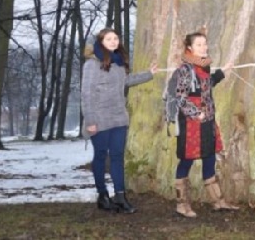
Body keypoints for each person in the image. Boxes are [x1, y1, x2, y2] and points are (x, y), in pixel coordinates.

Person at [81, 27, 158, 213]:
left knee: (117, 157)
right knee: (100, 156)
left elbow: (126, 81)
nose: (114, 41)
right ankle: (102, 195)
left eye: (116, 38)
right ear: (101, 42)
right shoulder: (92, 64)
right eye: (109, 39)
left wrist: (149, 74)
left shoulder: (118, 63)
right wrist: (90, 120)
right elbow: (86, 93)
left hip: (119, 118)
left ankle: (121, 197)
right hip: (98, 119)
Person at [173, 29, 238, 217]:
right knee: (186, 161)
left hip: (207, 123)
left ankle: (218, 201)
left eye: (205, 44)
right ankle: (181, 204)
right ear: (190, 48)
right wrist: (196, 113)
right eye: (199, 45)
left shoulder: (203, 67)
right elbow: (180, 98)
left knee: (209, 158)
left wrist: (222, 73)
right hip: (191, 125)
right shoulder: (184, 69)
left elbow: (206, 85)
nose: (204, 47)